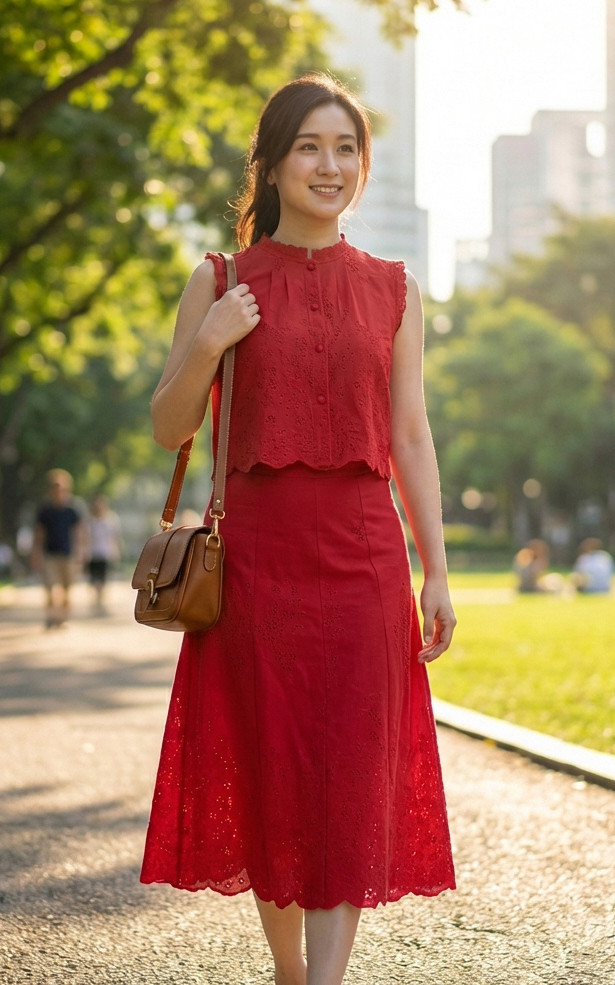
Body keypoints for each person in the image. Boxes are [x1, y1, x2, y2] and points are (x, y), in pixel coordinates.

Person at [140, 74, 457, 985]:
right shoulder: (219, 279)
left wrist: (433, 571)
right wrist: (209, 343)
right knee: (272, 767)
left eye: (346, 148)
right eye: (311, 147)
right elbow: (169, 428)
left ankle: (324, 981)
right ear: (272, 164)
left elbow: (409, 434)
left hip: (363, 557)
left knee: (352, 770)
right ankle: (289, 971)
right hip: (255, 561)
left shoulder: (393, 288)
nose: (331, 165)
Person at [30, 468, 84, 628]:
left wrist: (80, 553)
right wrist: (36, 554)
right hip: (50, 554)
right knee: (49, 587)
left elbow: (79, 533)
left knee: (67, 588)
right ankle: (50, 616)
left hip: (68, 554)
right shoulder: (45, 510)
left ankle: (63, 617)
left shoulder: (73, 509)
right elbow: (39, 534)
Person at [85, 493, 122, 613]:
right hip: (92, 553)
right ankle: (96, 599)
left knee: (103, 578)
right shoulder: (90, 521)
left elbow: (115, 537)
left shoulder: (111, 520)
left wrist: (116, 551)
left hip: (105, 553)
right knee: (94, 578)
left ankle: (100, 600)